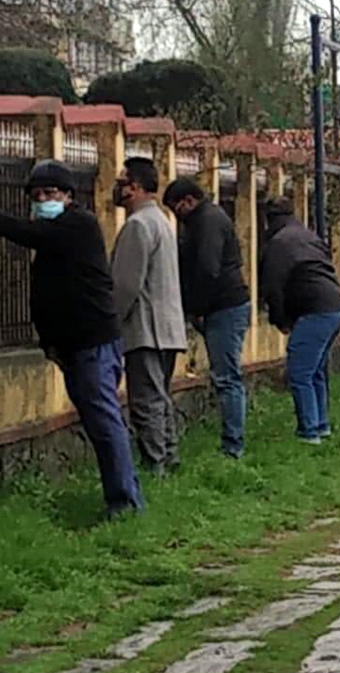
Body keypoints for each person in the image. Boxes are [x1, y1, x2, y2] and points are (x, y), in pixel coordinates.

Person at [0, 161, 145, 518]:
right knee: (100, 422)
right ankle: (121, 496)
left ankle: (125, 502)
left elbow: (30, 235)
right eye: (36, 196)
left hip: (92, 343)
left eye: (50, 193)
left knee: (104, 421)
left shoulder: (77, 225)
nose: (43, 200)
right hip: (73, 346)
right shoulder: (57, 232)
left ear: (67, 195)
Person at [164, 177, 251, 460]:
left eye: (177, 208)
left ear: (188, 201)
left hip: (223, 306)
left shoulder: (208, 222)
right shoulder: (207, 219)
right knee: (225, 375)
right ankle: (231, 442)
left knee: (227, 377)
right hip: (222, 305)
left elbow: (207, 268)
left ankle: (233, 447)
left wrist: (197, 307)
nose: (177, 216)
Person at [112, 158, 188, 477]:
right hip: (167, 327)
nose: (118, 187)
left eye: (123, 181)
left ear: (137, 187)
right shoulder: (162, 221)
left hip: (145, 328)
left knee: (146, 402)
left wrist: (112, 321)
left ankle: (155, 465)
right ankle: (169, 457)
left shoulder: (138, 226)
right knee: (160, 398)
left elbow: (126, 283)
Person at [260, 198, 340, 445]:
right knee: (315, 370)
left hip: (314, 310)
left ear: (269, 219)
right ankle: (321, 425)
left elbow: (272, 288)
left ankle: (309, 432)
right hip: (335, 305)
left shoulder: (278, 243)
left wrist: (281, 319)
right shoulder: (309, 236)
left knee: (299, 372)